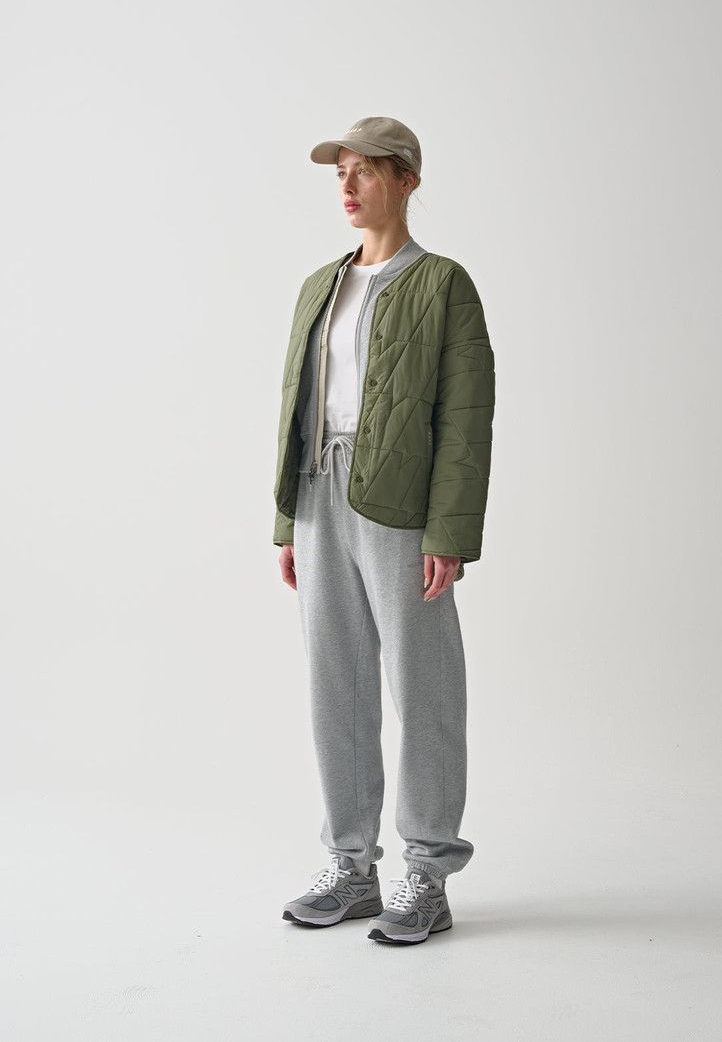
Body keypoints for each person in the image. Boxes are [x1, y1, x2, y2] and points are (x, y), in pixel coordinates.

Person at [273, 117, 495, 944]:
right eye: (341, 171)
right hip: (319, 492)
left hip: (400, 502)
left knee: (422, 681)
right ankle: (350, 866)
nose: (347, 184)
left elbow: (465, 419)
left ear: (405, 179)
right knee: (334, 681)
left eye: (364, 170)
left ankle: (428, 872)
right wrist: (286, 517)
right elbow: (296, 403)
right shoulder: (319, 286)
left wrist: (449, 531)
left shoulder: (443, 284)